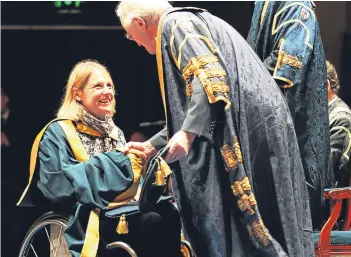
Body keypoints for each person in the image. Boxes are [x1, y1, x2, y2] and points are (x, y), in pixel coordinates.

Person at [116, 1, 313, 256]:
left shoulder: (176, 24)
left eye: (132, 36)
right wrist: (151, 146)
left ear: (140, 23)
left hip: (247, 126)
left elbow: (206, 80)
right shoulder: (193, 21)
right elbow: (201, 110)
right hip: (250, 122)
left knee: (250, 225)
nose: (137, 44)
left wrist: (187, 135)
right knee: (269, 216)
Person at [17, 60, 181, 257]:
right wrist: (114, 165)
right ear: (77, 94)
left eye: (109, 86)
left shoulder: (114, 131)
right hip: (85, 214)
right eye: (98, 86)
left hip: (121, 210)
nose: (107, 92)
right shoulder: (57, 132)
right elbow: (57, 187)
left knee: (168, 213)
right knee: (152, 222)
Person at [247, 1, 333, 229]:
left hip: (295, 152)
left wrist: (235, 85)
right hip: (268, 150)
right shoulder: (262, 7)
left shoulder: (296, 5)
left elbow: (282, 70)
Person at [326, 60, 351, 228]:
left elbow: (330, 172)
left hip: (331, 211)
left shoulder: (340, 117)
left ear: (327, 84)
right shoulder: (324, 114)